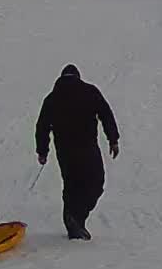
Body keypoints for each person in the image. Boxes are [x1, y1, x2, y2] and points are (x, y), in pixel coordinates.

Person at [35, 64, 120, 240]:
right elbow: (106, 114)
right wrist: (113, 139)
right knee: (96, 182)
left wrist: (42, 151)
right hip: (87, 147)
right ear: (77, 77)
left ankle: (73, 221)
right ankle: (77, 218)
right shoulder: (90, 91)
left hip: (65, 150)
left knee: (71, 185)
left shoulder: (52, 98)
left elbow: (42, 126)